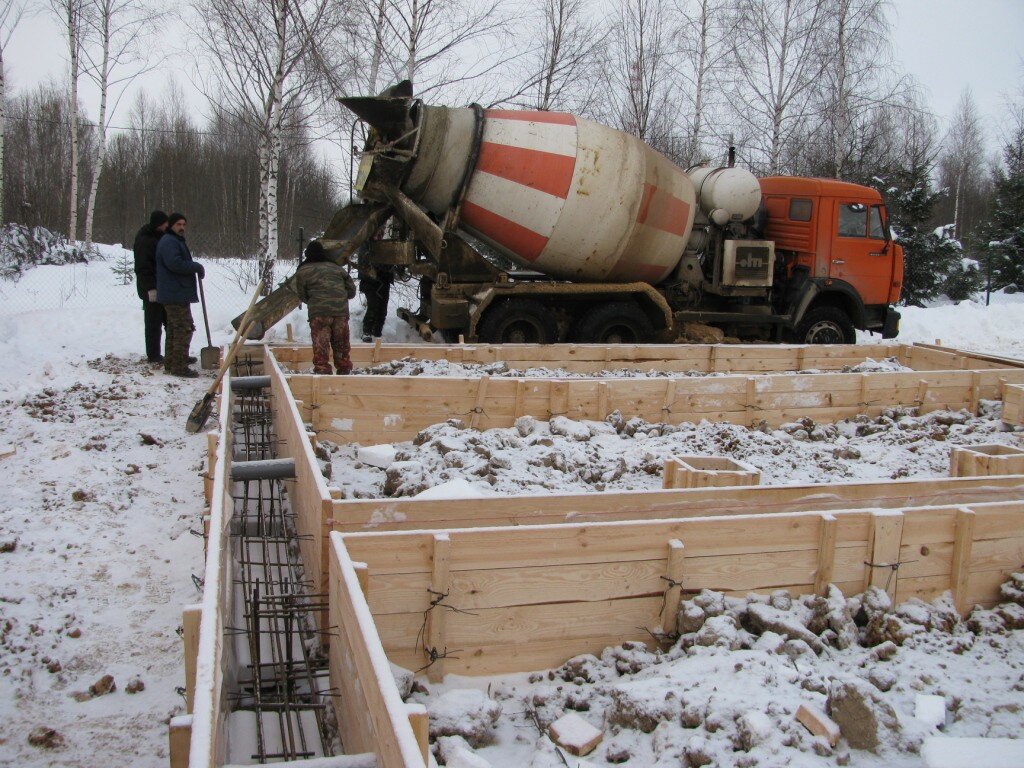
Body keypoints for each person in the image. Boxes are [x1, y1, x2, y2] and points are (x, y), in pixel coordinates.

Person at [293, 240, 356, 375]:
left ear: (308, 255)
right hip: (340, 312)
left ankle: (322, 374)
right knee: (342, 345)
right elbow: (351, 290)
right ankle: (345, 372)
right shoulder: (337, 268)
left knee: (321, 346)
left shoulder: (303, 271)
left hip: (319, 313)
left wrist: (315, 302)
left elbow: (302, 295)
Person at [155, 212, 204, 378]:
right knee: (183, 328)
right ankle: (179, 366)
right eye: (178, 224)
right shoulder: (170, 242)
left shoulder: (174, 241)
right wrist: (195, 266)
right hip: (174, 293)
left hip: (175, 292)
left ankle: (171, 362)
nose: (182, 227)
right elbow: (174, 264)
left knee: (175, 329)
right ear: (171, 225)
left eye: (184, 224)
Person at [133, 210, 169, 363]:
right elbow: (143, 268)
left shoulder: (159, 236)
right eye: (164, 223)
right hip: (151, 287)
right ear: (159, 224)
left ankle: (174, 353)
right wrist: (150, 288)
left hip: (163, 285)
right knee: (153, 322)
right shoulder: (145, 240)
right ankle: (153, 354)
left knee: (168, 320)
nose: (167, 225)